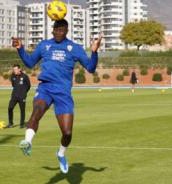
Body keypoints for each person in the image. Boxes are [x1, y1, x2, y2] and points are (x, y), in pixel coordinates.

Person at [12, 19, 102, 174]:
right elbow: (29, 63)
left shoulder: (74, 48)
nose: (60, 32)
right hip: (45, 87)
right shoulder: (44, 45)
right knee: (37, 112)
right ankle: (27, 142)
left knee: (67, 133)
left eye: (63, 30)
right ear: (52, 30)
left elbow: (91, 68)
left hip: (63, 92)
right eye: (57, 29)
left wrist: (94, 51)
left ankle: (60, 154)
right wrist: (20, 49)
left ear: (67, 31)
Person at [6, 64, 31, 129]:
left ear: (19, 69)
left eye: (16, 69)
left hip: (22, 97)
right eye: (14, 69)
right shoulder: (12, 76)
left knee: (22, 110)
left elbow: (29, 86)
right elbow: (13, 85)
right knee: (10, 108)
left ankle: (22, 124)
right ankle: (10, 123)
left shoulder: (25, 76)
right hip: (14, 96)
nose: (14, 71)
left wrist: (24, 93)